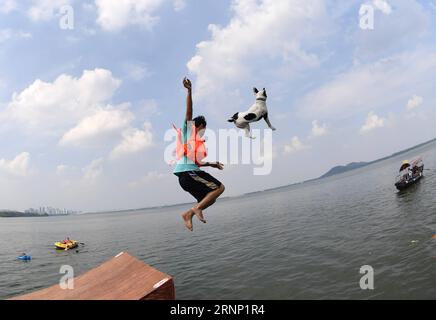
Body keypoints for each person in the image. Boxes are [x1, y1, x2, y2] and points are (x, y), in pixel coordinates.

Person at [173, 77, 225, 231]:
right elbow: (189, 112)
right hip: (188, 173)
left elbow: (196, 162)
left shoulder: (193, 142)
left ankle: (189, 213)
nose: (204, 132)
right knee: (219, 188)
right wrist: (189, 91)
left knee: (210, 198)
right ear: (200, 126)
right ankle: (194, 210)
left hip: (185, 177)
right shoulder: (189, 130)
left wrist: (212, 163)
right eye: (204, 129)